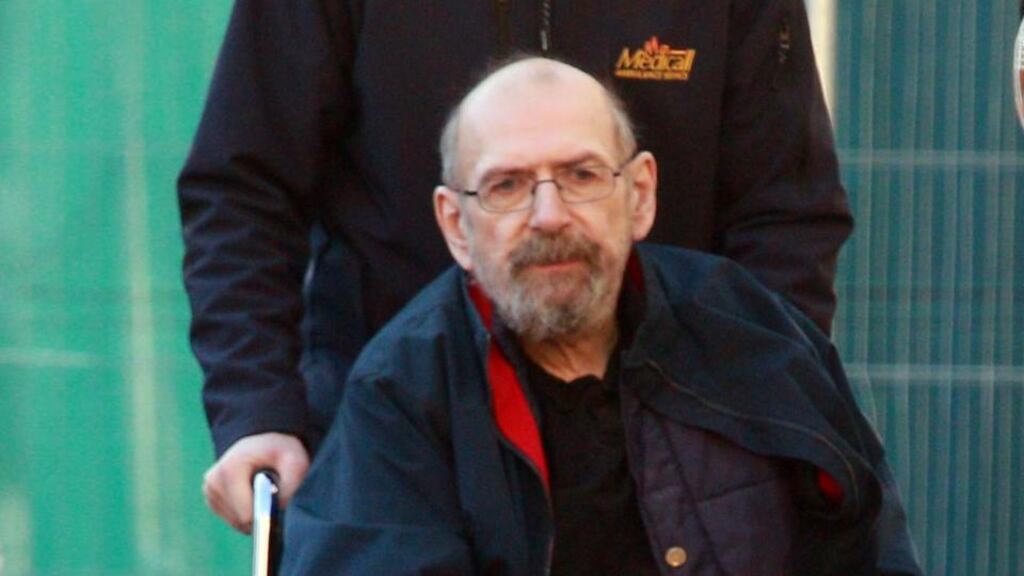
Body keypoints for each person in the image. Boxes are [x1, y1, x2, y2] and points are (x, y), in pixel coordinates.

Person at [179, 0, 854, 533]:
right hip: (397, 447)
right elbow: (245, 192)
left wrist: (757, 413)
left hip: (670, 451)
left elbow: (785, 211)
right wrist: (256, 407)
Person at [279, 57, 920, 576]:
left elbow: (869, 545)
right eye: (507, 186)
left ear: (639, 195)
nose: (549, 215)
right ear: (456, 225)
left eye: (582, 175)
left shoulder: (752, 332)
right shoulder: (402, 396)